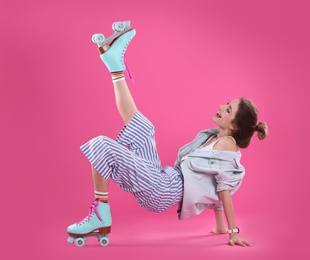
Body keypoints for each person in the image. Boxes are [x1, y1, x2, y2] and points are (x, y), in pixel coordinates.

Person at [67, 23, 268, 247]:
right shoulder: (215, 138)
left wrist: (233, 232)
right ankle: (115, 66)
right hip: (163, 178)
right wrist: (220, 227)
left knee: (102, 145)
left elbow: (224, 191)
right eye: (227, 104)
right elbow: (216, 189)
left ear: (236, 127)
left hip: (163, 190)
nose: (222, 107)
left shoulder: (228, 144)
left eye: (228, 110)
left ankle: (100, 212)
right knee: (144, 128)